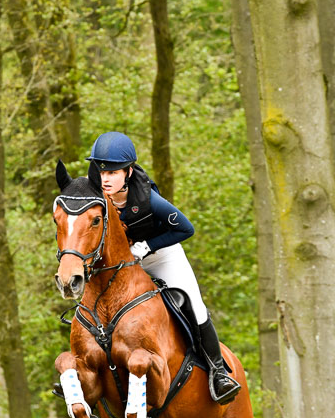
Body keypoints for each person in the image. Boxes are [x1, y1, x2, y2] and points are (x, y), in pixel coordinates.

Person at [87, 131, 240, 404]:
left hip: (161, 257)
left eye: (113, 172)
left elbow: (186, 228)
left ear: (129, 172)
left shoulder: (147, 199)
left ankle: (218, 371)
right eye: (101, 172)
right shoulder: (94, 194)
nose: (105, 179)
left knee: (194, 304)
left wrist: (147, 246)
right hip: (123, 264)